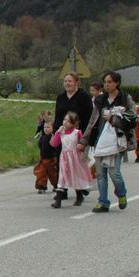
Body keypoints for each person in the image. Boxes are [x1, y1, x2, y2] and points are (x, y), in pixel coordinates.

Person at [79, 71, 136, 213]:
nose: (107, 84)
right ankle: (103, 201)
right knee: (100, 173)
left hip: (118, 142)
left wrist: (113, 119)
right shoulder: (100, 100)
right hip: (101, 141)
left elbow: (132, 120)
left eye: (110, 82)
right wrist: (84, 140)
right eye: (105, 82)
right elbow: (92, 122)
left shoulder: (125, 99)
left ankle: (121, 193)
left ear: (117, 83)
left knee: (114, 173)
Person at [51, 73, 93, 204]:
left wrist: (85, 138)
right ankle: (61, 192)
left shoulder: (83, 97)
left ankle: (80, 188)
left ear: (76, 83)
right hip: (62, 135)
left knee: (76, 166)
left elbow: (90, 117)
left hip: (77, 136)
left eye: (70, 81)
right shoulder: (61, 97)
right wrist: (55, 132)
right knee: (61, 165)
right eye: (65, 81)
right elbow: (57, 116)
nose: (67, 83)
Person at [50, 111, 94, 207]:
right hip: (64, 158)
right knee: (62, 177)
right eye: (64, 120)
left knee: (75, 177)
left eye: (68, 121)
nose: (65, 122)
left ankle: (79, 196)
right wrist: (57, 133)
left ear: (74, 124)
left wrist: (82, 147)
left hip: (75, 159)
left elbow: (82, 143)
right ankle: (58, 200)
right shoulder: (61, 132)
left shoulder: (77, 133)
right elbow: (54, 144)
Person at [32, 110, 58, 193]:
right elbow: (40, 145)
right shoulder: (43, 137)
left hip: (51, 159)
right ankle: (41, 186)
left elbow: (56, 147)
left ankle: (56, 185)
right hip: (43, 159)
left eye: (48, 127)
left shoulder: (54, 137)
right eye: (45, 128)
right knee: (40, 173)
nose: (46, 129)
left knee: (53, 174)